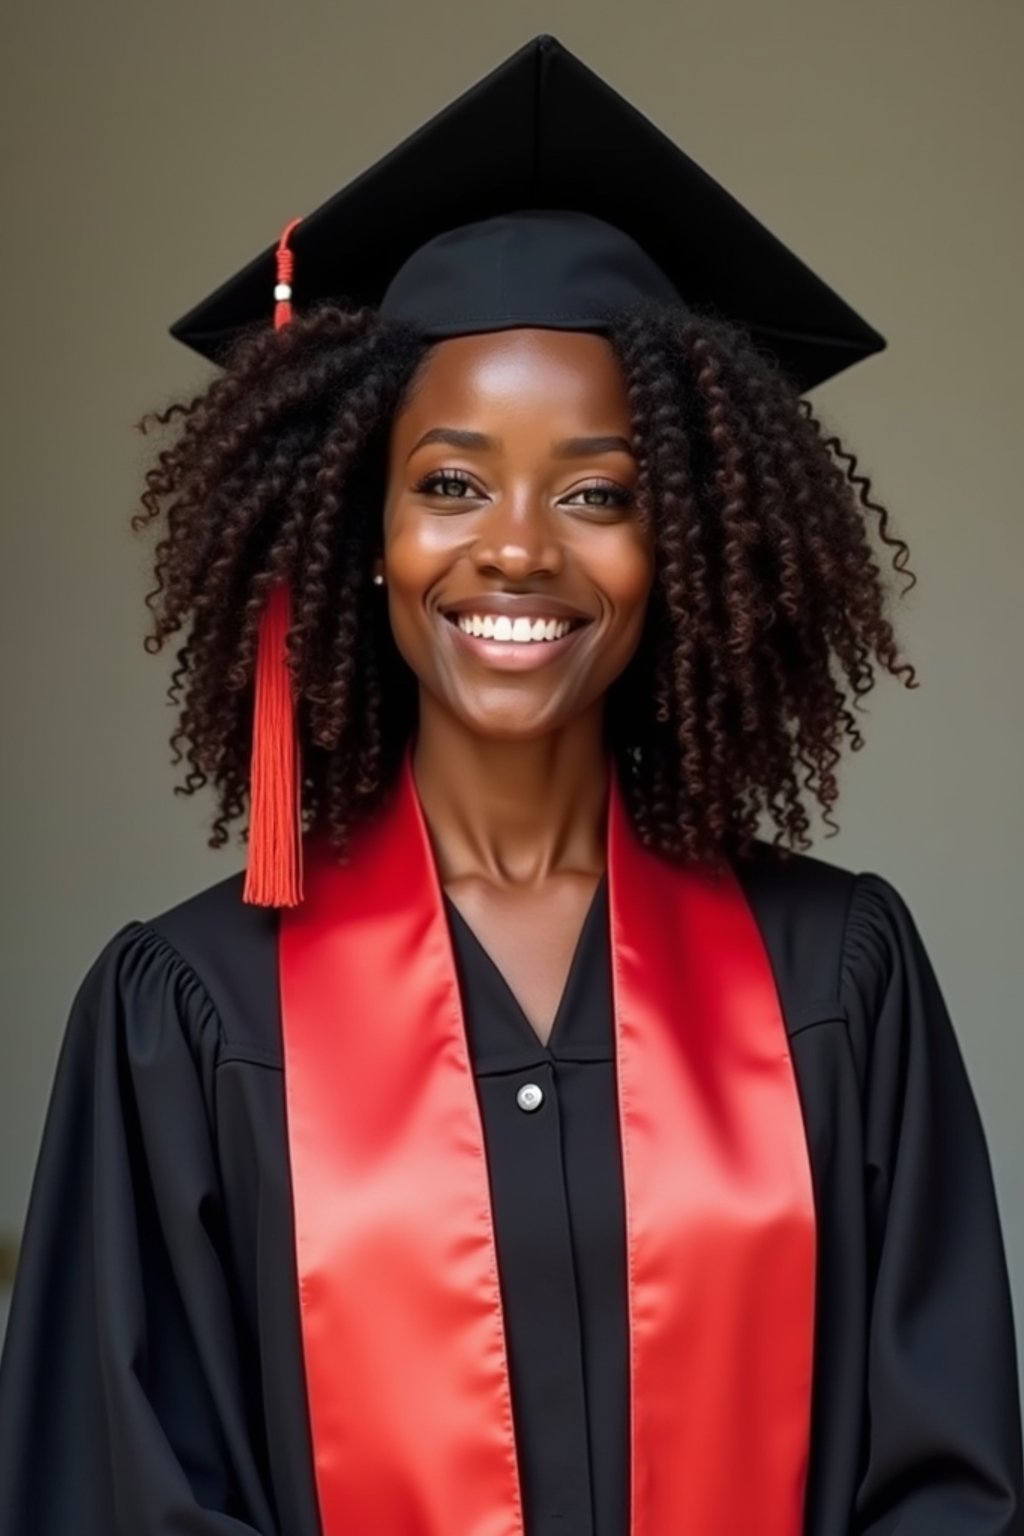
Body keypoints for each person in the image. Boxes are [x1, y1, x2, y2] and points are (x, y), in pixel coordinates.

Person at [0, 32, 1021, 1536]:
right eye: (454, 483)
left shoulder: (838, 979)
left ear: (682, 539)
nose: (522, 549)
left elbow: (947, 1486)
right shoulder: (192, 1018)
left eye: (599, 492)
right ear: (365, 525)